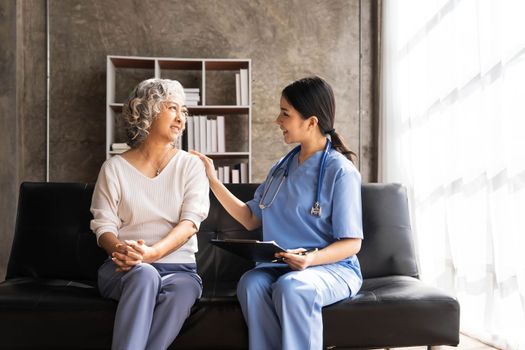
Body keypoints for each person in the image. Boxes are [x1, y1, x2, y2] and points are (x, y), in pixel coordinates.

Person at [192, 76, 363, 350]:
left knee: (293, 287)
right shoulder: (280, 168)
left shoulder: (340, 171)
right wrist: (213, 180)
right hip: (282, 266)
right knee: (250, 283)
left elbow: (352, 243)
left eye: (285, 113)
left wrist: (310, 259)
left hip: (331, 268)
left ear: (311, 122)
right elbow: (250, 218)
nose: (277, 120)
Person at [90, 78, 210, 350]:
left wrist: (152, 254)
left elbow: (191, 223)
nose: (181, 118)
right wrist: (123, 251)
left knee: (181, 290)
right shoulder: (114, 168)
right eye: (172, 108)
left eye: (185, 111)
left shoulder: (191, 166)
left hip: (180, 269)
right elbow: (103, 226)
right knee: (145, 274)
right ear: (148, 111)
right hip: (123, 266)